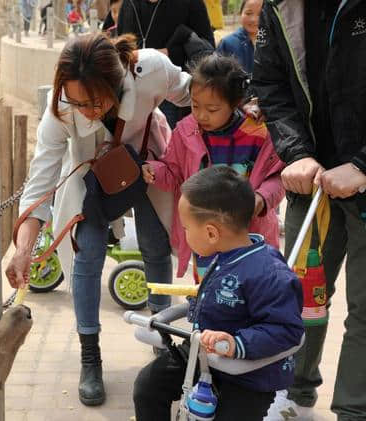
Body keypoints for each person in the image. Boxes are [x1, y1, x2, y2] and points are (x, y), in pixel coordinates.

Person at [6, 33, 191, 406]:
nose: (85, 110)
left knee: (156, 245)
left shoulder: (149, 68)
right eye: (76, 101)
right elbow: (39, 183)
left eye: (94, 102)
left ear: (117, 82)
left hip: (145, 165)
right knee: (86, 253)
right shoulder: (60, 111)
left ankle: (162, 338)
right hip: (89, 179)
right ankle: (90, 356)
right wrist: (24, 248)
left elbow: (193, 93)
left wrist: (236, 111)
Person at [251, 1, 366, 420]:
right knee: (298, 298)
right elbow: (270, 81)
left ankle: (355, 410)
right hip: (310, 181)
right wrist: (296, 152)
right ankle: (290, 396)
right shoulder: (278, 6)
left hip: (362, 176)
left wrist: (361, 166)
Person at [133, 166, 304, 421]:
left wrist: (237, 344)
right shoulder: (225, 256)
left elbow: (287, 331)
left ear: (212, 233)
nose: (185, 234)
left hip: (249, 373)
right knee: (149, 385)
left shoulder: (270, 274)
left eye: (187, 228)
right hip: (203, 351)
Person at [142, 54, 285, 282]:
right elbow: (173, 172)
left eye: (212, 108)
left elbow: (277, 178)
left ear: (235, 102)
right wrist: (153, 170)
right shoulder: (186, 132)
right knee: (210, 297)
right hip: (205, 241)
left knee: (251, 294)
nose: (201, 115)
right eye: (195, 105)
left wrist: (261, 198)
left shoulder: (258, 133)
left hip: (250, 238)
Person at [117, 0, 214, 129]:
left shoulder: (191, 3)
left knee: (171, 143)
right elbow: (121, 44)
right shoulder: (128, 3)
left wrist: (169, 53)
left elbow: (207, 48)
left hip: (174, 90)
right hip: (134, 91)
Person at [216, 0, 263, 74]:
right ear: (240, 13)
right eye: (248, 13)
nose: (253, 19)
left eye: (260, 14)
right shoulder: (227, 43)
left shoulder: (273, 43)